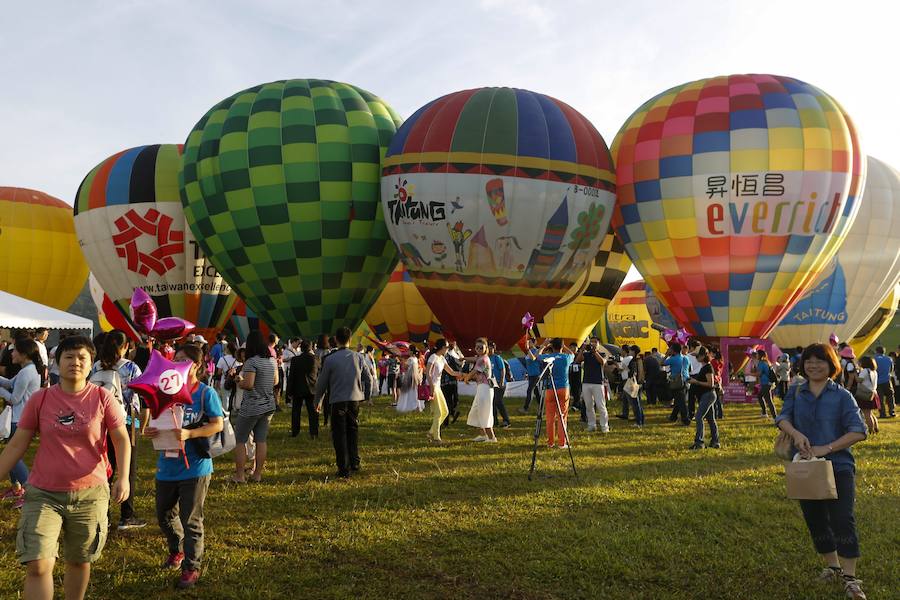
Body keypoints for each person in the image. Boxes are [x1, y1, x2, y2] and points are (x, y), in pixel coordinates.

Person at [0, 335, 130, 600]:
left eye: (82, 357)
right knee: (37, 564)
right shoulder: (41, 399)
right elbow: (17, 445)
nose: (75, 362)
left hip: (90, 494)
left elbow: (121, 439)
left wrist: (124, 477)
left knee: (79, 560)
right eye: (69, 357)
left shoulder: (103, 398)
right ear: (57, 362)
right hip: (43, 494)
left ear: (91, 362)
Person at [775, 343, 868, 600]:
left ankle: (850, 579)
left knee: (842, 519)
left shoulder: (842, 396)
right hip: (804, 466)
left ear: (832, 365)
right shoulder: (796, 392)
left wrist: (825, 448)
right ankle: (833, 566)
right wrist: (796, 433)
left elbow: (859, 431)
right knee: (815, 518)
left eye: (820, 361)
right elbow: (782, 418)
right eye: (809, 361)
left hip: (838, 467)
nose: (813, 365)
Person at [144, 343, 224, 590]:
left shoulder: (204, 393)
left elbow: (217, 424)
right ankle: (176, 549)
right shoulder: (166, 392)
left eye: (183, 360)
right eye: (174, 359)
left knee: (191, 519)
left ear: (196, 365)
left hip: (195, 467)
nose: (176, 364)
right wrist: (150, 431)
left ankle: (191, 566)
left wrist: (190, 434)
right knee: (164, 515)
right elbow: (157, 419)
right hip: (166, 465)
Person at [89, 330, 146, 531]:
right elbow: (141, 396)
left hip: (102, 423)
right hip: (128, 422)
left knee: (105, 466)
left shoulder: (96, 366)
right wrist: (142, 424)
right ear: (125, 347)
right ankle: (126, 516)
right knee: (127, 467)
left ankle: (102, 514)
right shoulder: (131, 368)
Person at [314, 327, 372, 478]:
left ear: (336, 340)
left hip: (338, 400)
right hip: (355, 400)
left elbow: (322, 383)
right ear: (350, 340)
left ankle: (343, 467)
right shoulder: (358, 357)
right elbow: (369, 378)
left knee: (339, 434)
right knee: (353, 430)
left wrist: (317, 400)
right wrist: (366, 395)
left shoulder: (330, 359)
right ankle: (355, 462)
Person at [0, 338, 43, 508]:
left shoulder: (27, 372)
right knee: (12, 454)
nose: (11, 353)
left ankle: (29, 490)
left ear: (24, 354)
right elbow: (10, 383)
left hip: (19, 419)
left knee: (13, 457)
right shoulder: (27, 369)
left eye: (15, 350)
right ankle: (17, 488)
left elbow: (13, 398)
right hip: (20, 418)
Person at [232, 330, 278, 483]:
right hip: (268, 405)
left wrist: (239, 380)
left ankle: (239, 476)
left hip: (252, 407)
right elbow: (275, 381)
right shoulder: (271, 360)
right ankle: (257, 474)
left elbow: (249, 384)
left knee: (240, 439)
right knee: (261, 440)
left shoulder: (251, 362)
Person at [528, 338, 575, 448]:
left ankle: (550, 442)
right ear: (562, 347)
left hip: (550, 388)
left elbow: (536, 357)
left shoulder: (548, 357)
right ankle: (562, 443)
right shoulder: (566, 357)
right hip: (564, 388)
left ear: (551, 346)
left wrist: (543, 345)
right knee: (562, 417)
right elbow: (572, 353)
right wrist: (564, 346)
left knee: (550, 417)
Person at [426, 339, 462, 444]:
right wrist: (432, 388)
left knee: (445, 412)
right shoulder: (433, 357)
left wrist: (461, 374)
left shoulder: (442, 358)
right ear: (442, 348)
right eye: (446, 347)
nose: (447, 349)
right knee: (438, 413)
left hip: (438, 387)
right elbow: (428, 373)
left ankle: (431, 432)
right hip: (432, 387)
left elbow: (450, 371)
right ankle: (436, 438)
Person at [463, 338, 496, 442]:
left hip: (485, 388)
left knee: (484, 412)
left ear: (486, 348)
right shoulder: (481, 358)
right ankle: (483, 435)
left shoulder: (483, 359)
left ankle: (491, 437)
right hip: (482, 387)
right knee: (477, 411)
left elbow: (474, 371)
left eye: (481, 347)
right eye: (477, 347)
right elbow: (476, 372)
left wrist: (466, 378)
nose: (478, 349)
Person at [286, 340, 320, 439]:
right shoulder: (315, 358)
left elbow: (291, 377)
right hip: (312, 388)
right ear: (311, 347)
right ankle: (314, 432)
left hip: (298, 387)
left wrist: (289, 391)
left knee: (296, 411)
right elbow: (318, 373)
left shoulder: (295, 360)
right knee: (312, 412)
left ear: (301, 348)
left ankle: (295, 432)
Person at [688, 348, 719, 449]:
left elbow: (710, 384)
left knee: (698, 417)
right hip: (706, 395)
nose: (696, 357)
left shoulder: (707, 368)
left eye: (698, 356)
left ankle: (699, 442)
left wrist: (696, 382)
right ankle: (715, 441)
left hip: (708, 395)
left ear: (703, 356)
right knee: (710, 419)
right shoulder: (704, 367)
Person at [576, 337, 609, 433]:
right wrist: (582, 349)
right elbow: (578, 360)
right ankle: (591, 424)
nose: (593, 343)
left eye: (595, 342)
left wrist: (595, 352)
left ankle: (604, 426)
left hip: (598, 383)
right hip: (586, 382)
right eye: (592, 342)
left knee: (601, 405)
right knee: (588, 405)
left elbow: (602, 362)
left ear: (599, 344)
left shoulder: (602, 354)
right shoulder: (586, 354)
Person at [488, 341, 511, 429]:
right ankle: (494, 421)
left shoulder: (497, 358)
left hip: (500, 383)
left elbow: (503, 370)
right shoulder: (487, 358)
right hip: (492, 383)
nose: (490, 349)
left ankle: (506, 420)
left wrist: (501, 381)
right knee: (492, 402)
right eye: (489, 347)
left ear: (494, 349)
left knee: (498, 401)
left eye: (492, 348)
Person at [665, 343, 691, 425]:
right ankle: (673, 417)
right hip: (686, 381)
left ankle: (686, 419)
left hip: (677, 382)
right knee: (679, 400)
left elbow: (661, 363)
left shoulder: (673, 359)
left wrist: (666, 355)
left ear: (673, 350)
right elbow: (690, 369)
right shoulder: (686, 358)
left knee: (681, 402)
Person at [852, 356, 879, 434]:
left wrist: (855, 374)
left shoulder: (865, 371)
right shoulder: (874, 371)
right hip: (872, 393)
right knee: (870, 413)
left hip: (865, 394)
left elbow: (858, 380)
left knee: (866, 414)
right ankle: (876, 428)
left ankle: (871, 431)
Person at [440, 342, 462, 426]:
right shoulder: (452, 356)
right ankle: (453, 413)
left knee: (447, 401)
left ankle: (447, 419)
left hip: (446, 382)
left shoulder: (442, 358)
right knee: (452, 400)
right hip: (452, 381)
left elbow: (453, 369)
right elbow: (457, 367)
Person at [215, 340, 240, 411]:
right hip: (236, 382)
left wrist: (217, 383)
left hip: (225, 382)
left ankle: (226, 415)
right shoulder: (238, 359)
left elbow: (219, 373)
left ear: (228, 349)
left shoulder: (222, 359)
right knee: (234, 398)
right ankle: (233, 412)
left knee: (225, 399)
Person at [519, 339, 543, 414]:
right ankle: (541, 406)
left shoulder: (536, 351)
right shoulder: (529, 352)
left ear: (534, 343)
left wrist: (528, 349)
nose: (528, 343)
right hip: (531, 374)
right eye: (528, 342)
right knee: (536, 392)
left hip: (535, 374)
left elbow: (533, 358)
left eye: (530, 342)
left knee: (530, 390)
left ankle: (525, 408)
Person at [396, 348, 422, 413]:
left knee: (408, 392)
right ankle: (416, 406)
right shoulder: (416, 359)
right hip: (415, 377)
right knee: (414, 392)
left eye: (409, 350)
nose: (408, 351)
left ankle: (409, 406)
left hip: (409, 377)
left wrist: (402, 361)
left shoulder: (410, 359)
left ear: (411, 351)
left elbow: (405, 368)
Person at [872, 346, 895, 418]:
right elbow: (891, 369)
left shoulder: (874, 359)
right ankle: (892, 412)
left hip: (878, 382)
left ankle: (882, 413)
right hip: (887, 380)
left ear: (876, 351)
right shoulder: (889, 359)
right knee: (890, 396)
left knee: (880, 399)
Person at [756, 350, 777, 420]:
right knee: (760, 396)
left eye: (757, 354)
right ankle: (764, 413)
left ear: (760, 355)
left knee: (768, 400)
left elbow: (759, 374)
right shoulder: (767, 362)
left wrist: (750, 373)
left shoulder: (761, 363)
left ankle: (775, 417)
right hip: (768, 383)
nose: (756, 355)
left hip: (766, 383)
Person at [281, 338, 301, 403]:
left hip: (296, 370)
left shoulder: (298, 350)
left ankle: (294, 399)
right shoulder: (286, 350)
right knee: (289, 385)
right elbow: (283, 360)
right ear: (294, 342)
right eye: (298, 343)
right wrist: (291, 358)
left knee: (295, 385)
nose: (299, 345)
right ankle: (288, 401)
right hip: (289, 370)